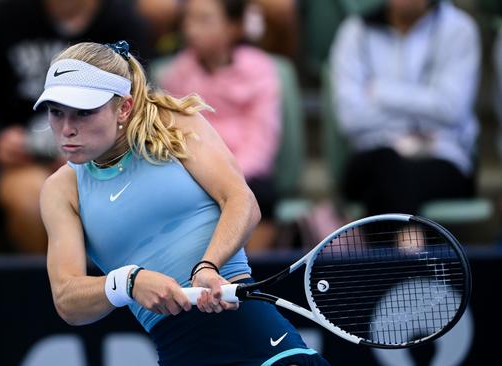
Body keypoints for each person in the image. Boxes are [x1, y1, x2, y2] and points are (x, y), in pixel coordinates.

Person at [39, 40, 329, 365]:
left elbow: (241, 201)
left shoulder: (171, 124)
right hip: (179, 352)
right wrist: (128, 282)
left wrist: (208, 267)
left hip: (259, 341)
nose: (67, 129)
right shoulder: (60, 190)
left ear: (123, 107)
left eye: (84, 112)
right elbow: (67, 300)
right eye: (56, 112)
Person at [0, 0, 154, 254]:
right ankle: (49, 287)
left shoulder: (125, 21)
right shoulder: (1, 17)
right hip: (21, 163)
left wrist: (88, 158)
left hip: (106, 158)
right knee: (33, 197)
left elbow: (138, 104)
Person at [329, 0, 480, 216]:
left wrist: (381, 92)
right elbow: (350, 117)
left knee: (390, 179)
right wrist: (424, 109)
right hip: (372, 157)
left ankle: (405, 246)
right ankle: (412, 246)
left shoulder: (459, 28)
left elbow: (451, 109)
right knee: (386, 164)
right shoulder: (354, 31)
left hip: (443, 157)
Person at [157, 0, 282, 253]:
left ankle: (247, 276)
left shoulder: (260, 70)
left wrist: (227, 178)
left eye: (204, 20)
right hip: (193, 170)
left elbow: (262, 140)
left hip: (244, 172)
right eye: (188, 20)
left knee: (262, 195)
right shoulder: (176, 72)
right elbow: (171, 134)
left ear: (233, 27)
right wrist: (203, 174)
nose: (191, 29)